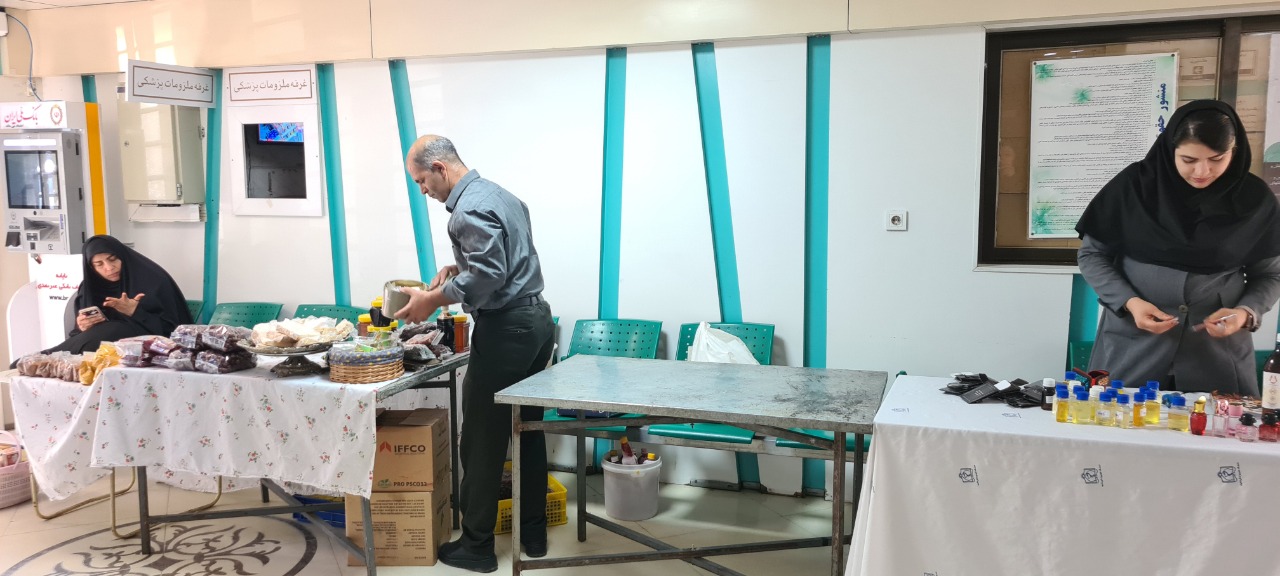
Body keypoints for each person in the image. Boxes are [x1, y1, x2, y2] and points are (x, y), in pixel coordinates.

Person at [395, 135, 555, 573]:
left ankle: (477, 546)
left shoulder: (467, 210)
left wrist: (433, 299)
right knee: (528, 429)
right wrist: (459, 268)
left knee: (483, 439)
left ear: (440, 168)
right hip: (537, 322)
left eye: (421, 180)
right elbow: (505, 260)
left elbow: (490, 273)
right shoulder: (501, 195)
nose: (422, 190)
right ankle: (534, 533)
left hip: (507, 329)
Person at [1076, 100, 1280, 396]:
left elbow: (1270, 274)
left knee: (1218, 425)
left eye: (1217, 159)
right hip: (1132, 345)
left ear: (1234, 152)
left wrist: (1245, 312)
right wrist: (1129, 302)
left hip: (1216, 355)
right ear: (1170, 149)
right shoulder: (1134, 186)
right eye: (1189, 159)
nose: (1202, 171)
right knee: (1117, 420)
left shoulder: (1255, 199)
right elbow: (1092, 255)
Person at [29, 235, 194, 360]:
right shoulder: (90, 287)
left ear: (122, 256)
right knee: (105, 333)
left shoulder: (152, 280)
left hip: (152, 350)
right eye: (99, 264)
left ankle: (44, 358)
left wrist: (135, 312)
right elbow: (79, 336)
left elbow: (176, 331)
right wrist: (82, 326)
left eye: (112, 259)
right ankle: (43, 359)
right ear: (91, 268)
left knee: (114, 330)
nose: (109, 268)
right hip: (102, 352)